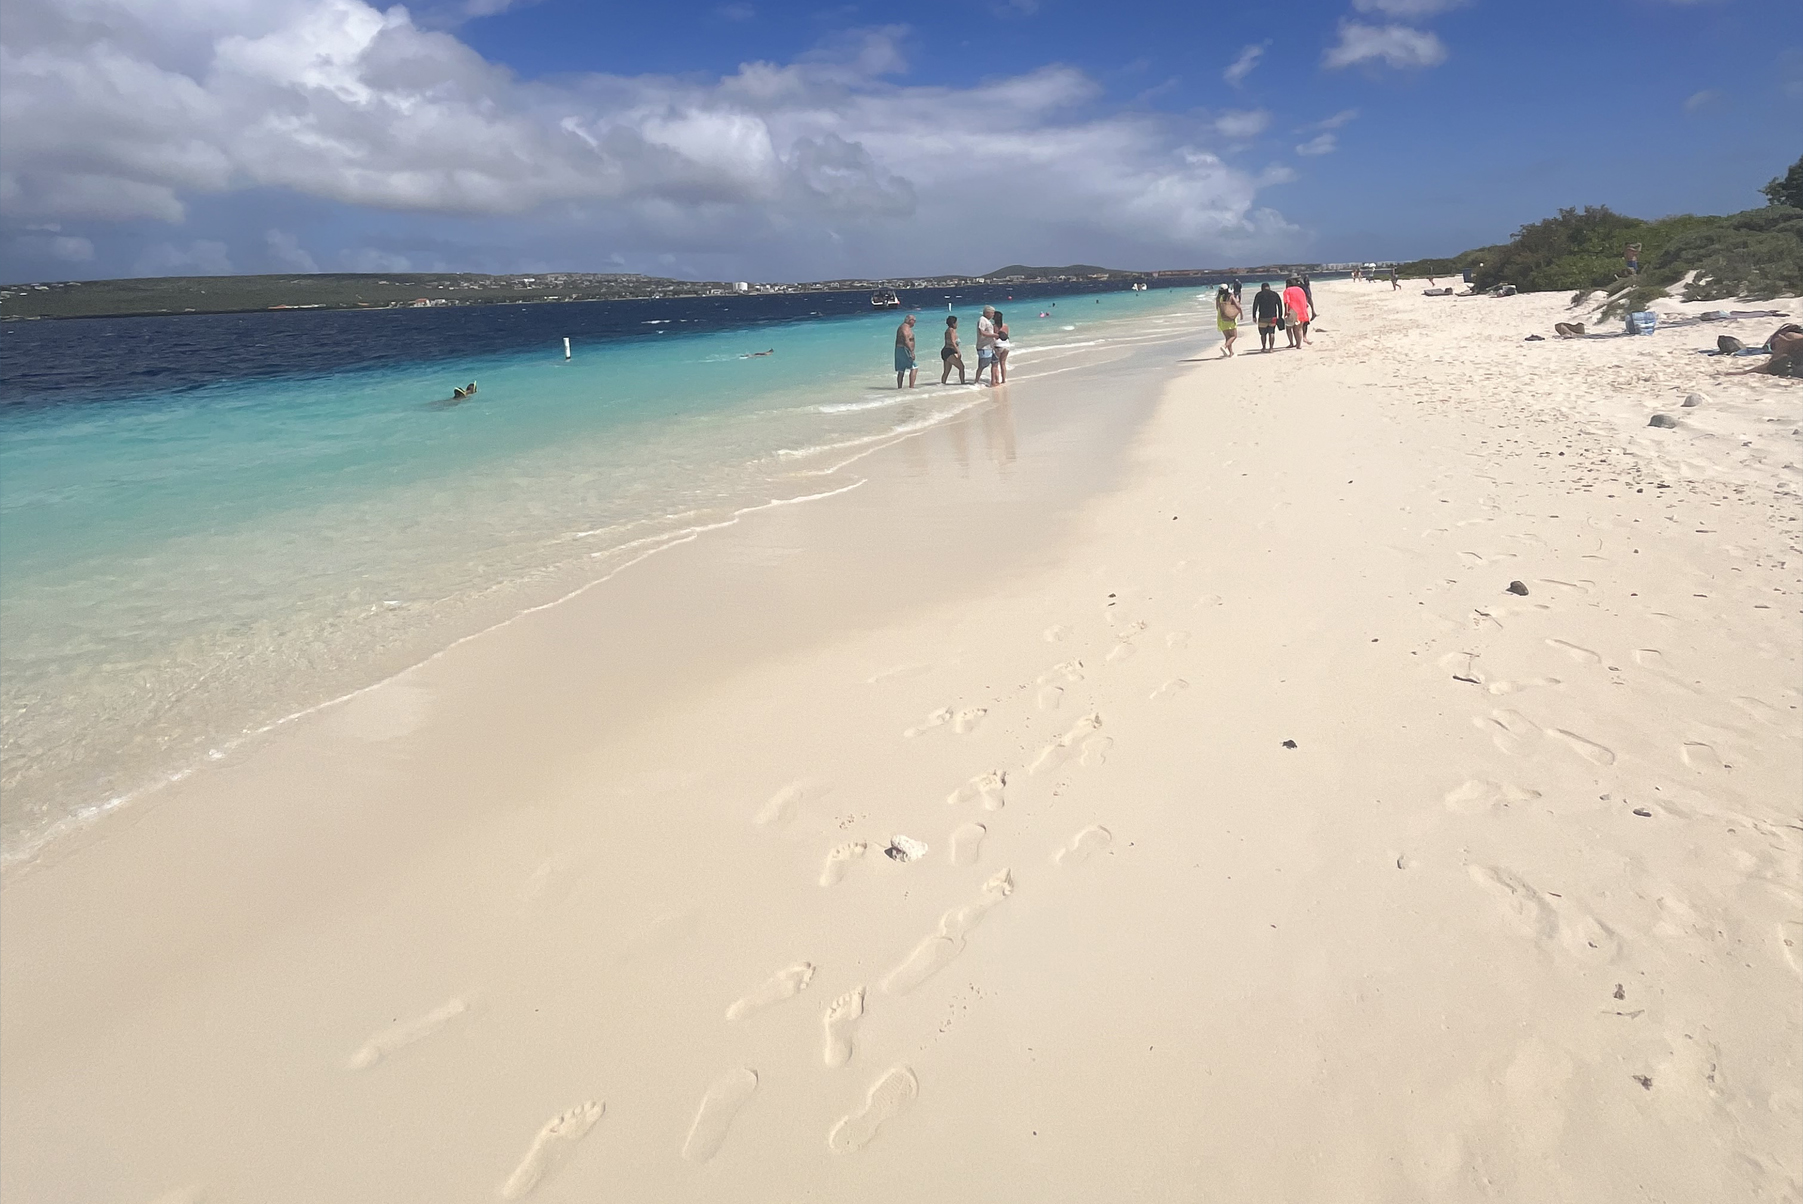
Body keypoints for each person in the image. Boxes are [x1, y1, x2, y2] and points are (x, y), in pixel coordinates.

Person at [1251, 282, 1281, 352]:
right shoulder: (1274, 294)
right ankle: (1271, 348)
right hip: (1273, 317)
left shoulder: (1259, 295)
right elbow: (1279, 305)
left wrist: (1254, 316)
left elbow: (1255, 305)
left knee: (1263, 334)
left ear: (1262, 288)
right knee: (1272, 332)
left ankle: (1264, 347)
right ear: (1269, 287)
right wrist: (1280, 315)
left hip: (1262, 317)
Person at [1282, 277, 1311, 349]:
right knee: (1299, 328)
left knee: (1289, 328)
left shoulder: (1287, 291)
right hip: (1302, 311)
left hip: (1292, 311)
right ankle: (1299, 344)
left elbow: (1286, 302)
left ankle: (1291, 343)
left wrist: (1286, 312)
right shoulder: (1300, 290)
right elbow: (1305, 301)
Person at [1214, 284, 1241, 357]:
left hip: (1221, 319)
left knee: (1228, 337)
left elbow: (1217, 308)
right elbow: (1238, 306)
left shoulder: (1218, 298)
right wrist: (1241, 314)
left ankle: (1231, 353)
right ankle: (1224, 346)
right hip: (1230, 318)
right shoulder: (1230, 297)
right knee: (1234, 336)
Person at [975, 305, 998, 385]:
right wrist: (994, 335)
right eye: (992, 313)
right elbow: (982, 332)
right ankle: (976, 381)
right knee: (982, 365)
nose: (993, 315)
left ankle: (993, 381)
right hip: (984, 347)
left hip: (990, 346)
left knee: (995, 362)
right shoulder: (982, 320)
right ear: (987, 313)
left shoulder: (987, 321)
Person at [940, 315, 967, 384]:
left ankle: (942, 385)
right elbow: (952, 341)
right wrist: (958, 352)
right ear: (953, 323)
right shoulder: (951, 330)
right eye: (956, 322)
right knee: (961, 367)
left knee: (946, 372)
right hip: (949, 351)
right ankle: (963, 383)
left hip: (946, 351)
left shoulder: (948, 330)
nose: (957, 324)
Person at [894, 314, 917, 388]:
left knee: (901, 370)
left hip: (899, 349)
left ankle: (899, 387)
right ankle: (911, 387)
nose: (915, 323)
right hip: (904, 349)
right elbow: (906, 340)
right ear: (910, 321)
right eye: (914, 321)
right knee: (914, 367)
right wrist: (912, 352)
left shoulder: (903, 327)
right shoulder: (905, 327)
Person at [992, 310, 1011, 383]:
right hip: (1006, 345)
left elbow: (993, 337)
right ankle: (1003, 380)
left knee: (995, 364)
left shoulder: (993, 326)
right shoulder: (1005, 326)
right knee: (1003, 363)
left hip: (998, 345)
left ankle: (997, 380)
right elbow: (1006, 335)